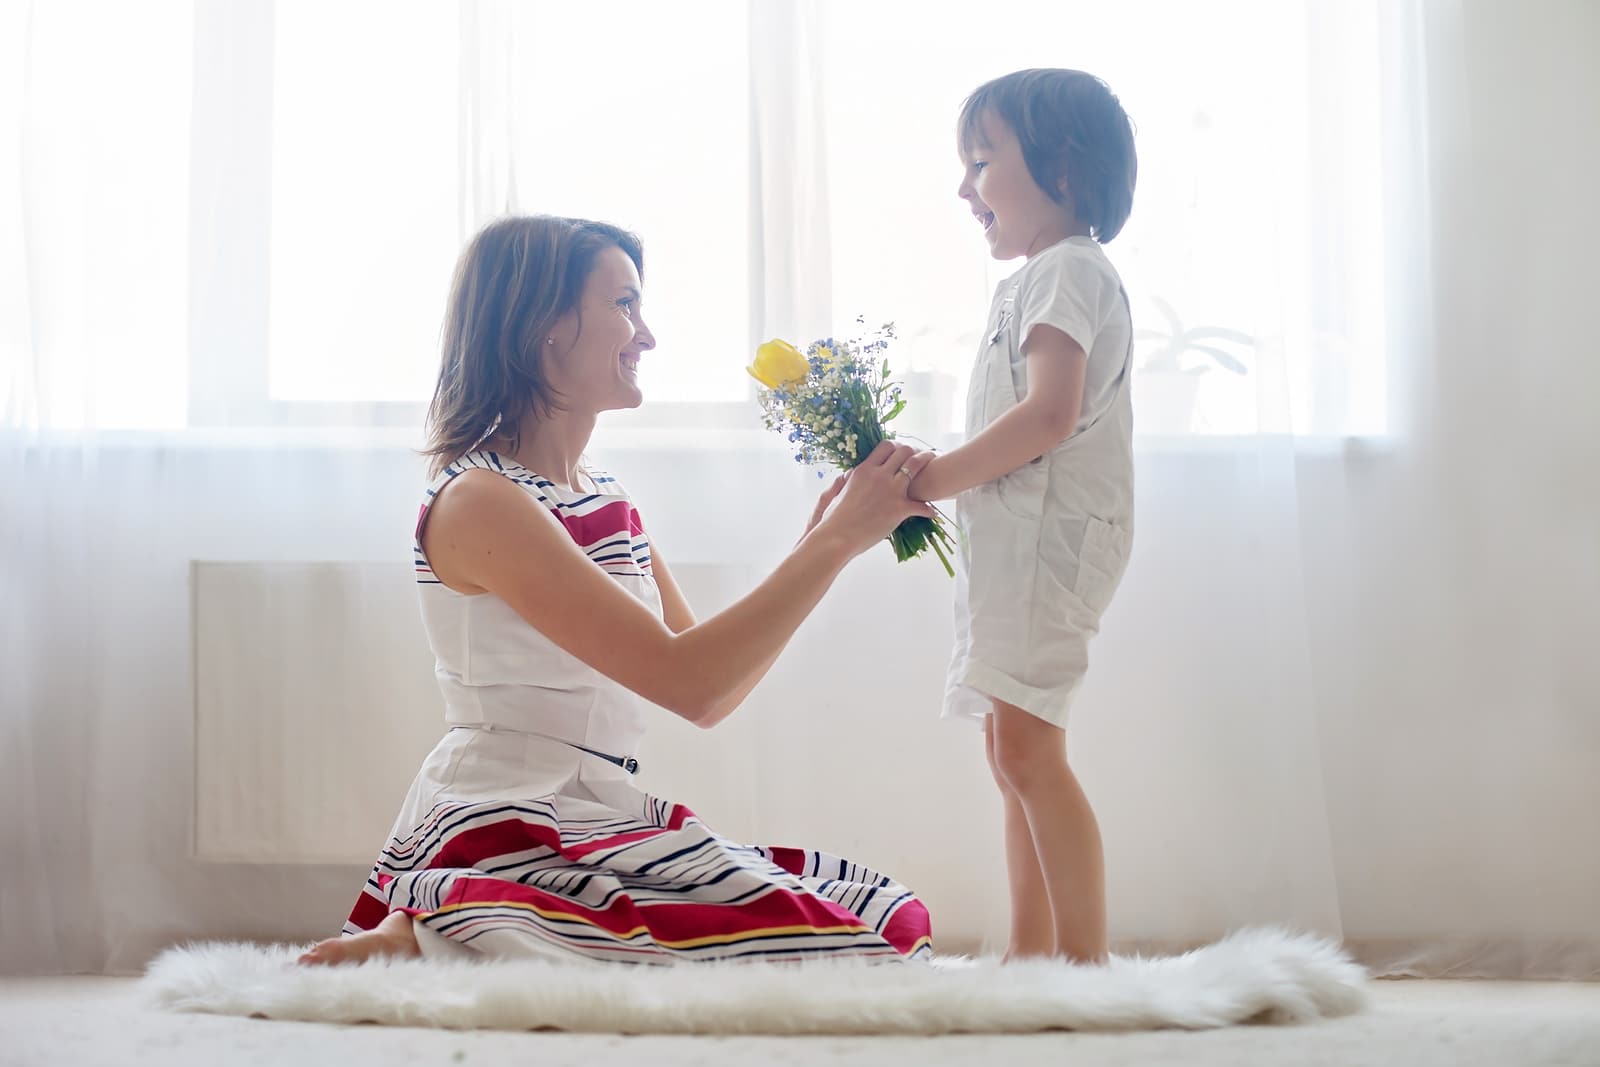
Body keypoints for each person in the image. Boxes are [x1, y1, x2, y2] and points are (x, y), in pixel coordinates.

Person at [300, 214, 937, 965]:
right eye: (624, 305)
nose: (647, 334)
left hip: (596, 815)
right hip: (500, 819)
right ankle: (441, 926)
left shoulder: (604, 498)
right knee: (836, 949)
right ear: (545, 327)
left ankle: (484, 937)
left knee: (890, 918)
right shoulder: (481, 498)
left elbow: (713, 689)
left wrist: (826, 537)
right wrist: (836, 542)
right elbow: (693, 682)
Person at [907, 69, 1138, 963]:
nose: (965, 189)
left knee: (1030, 753)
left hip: (1051, 548)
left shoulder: (1068, 271)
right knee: (1013, 750)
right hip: (1023, 547)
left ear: (1063, 171)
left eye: (980, 162)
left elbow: (1048, 415)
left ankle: (1082, 965)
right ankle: (1031, 955)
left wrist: (935, 476)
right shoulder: (1039, 278)